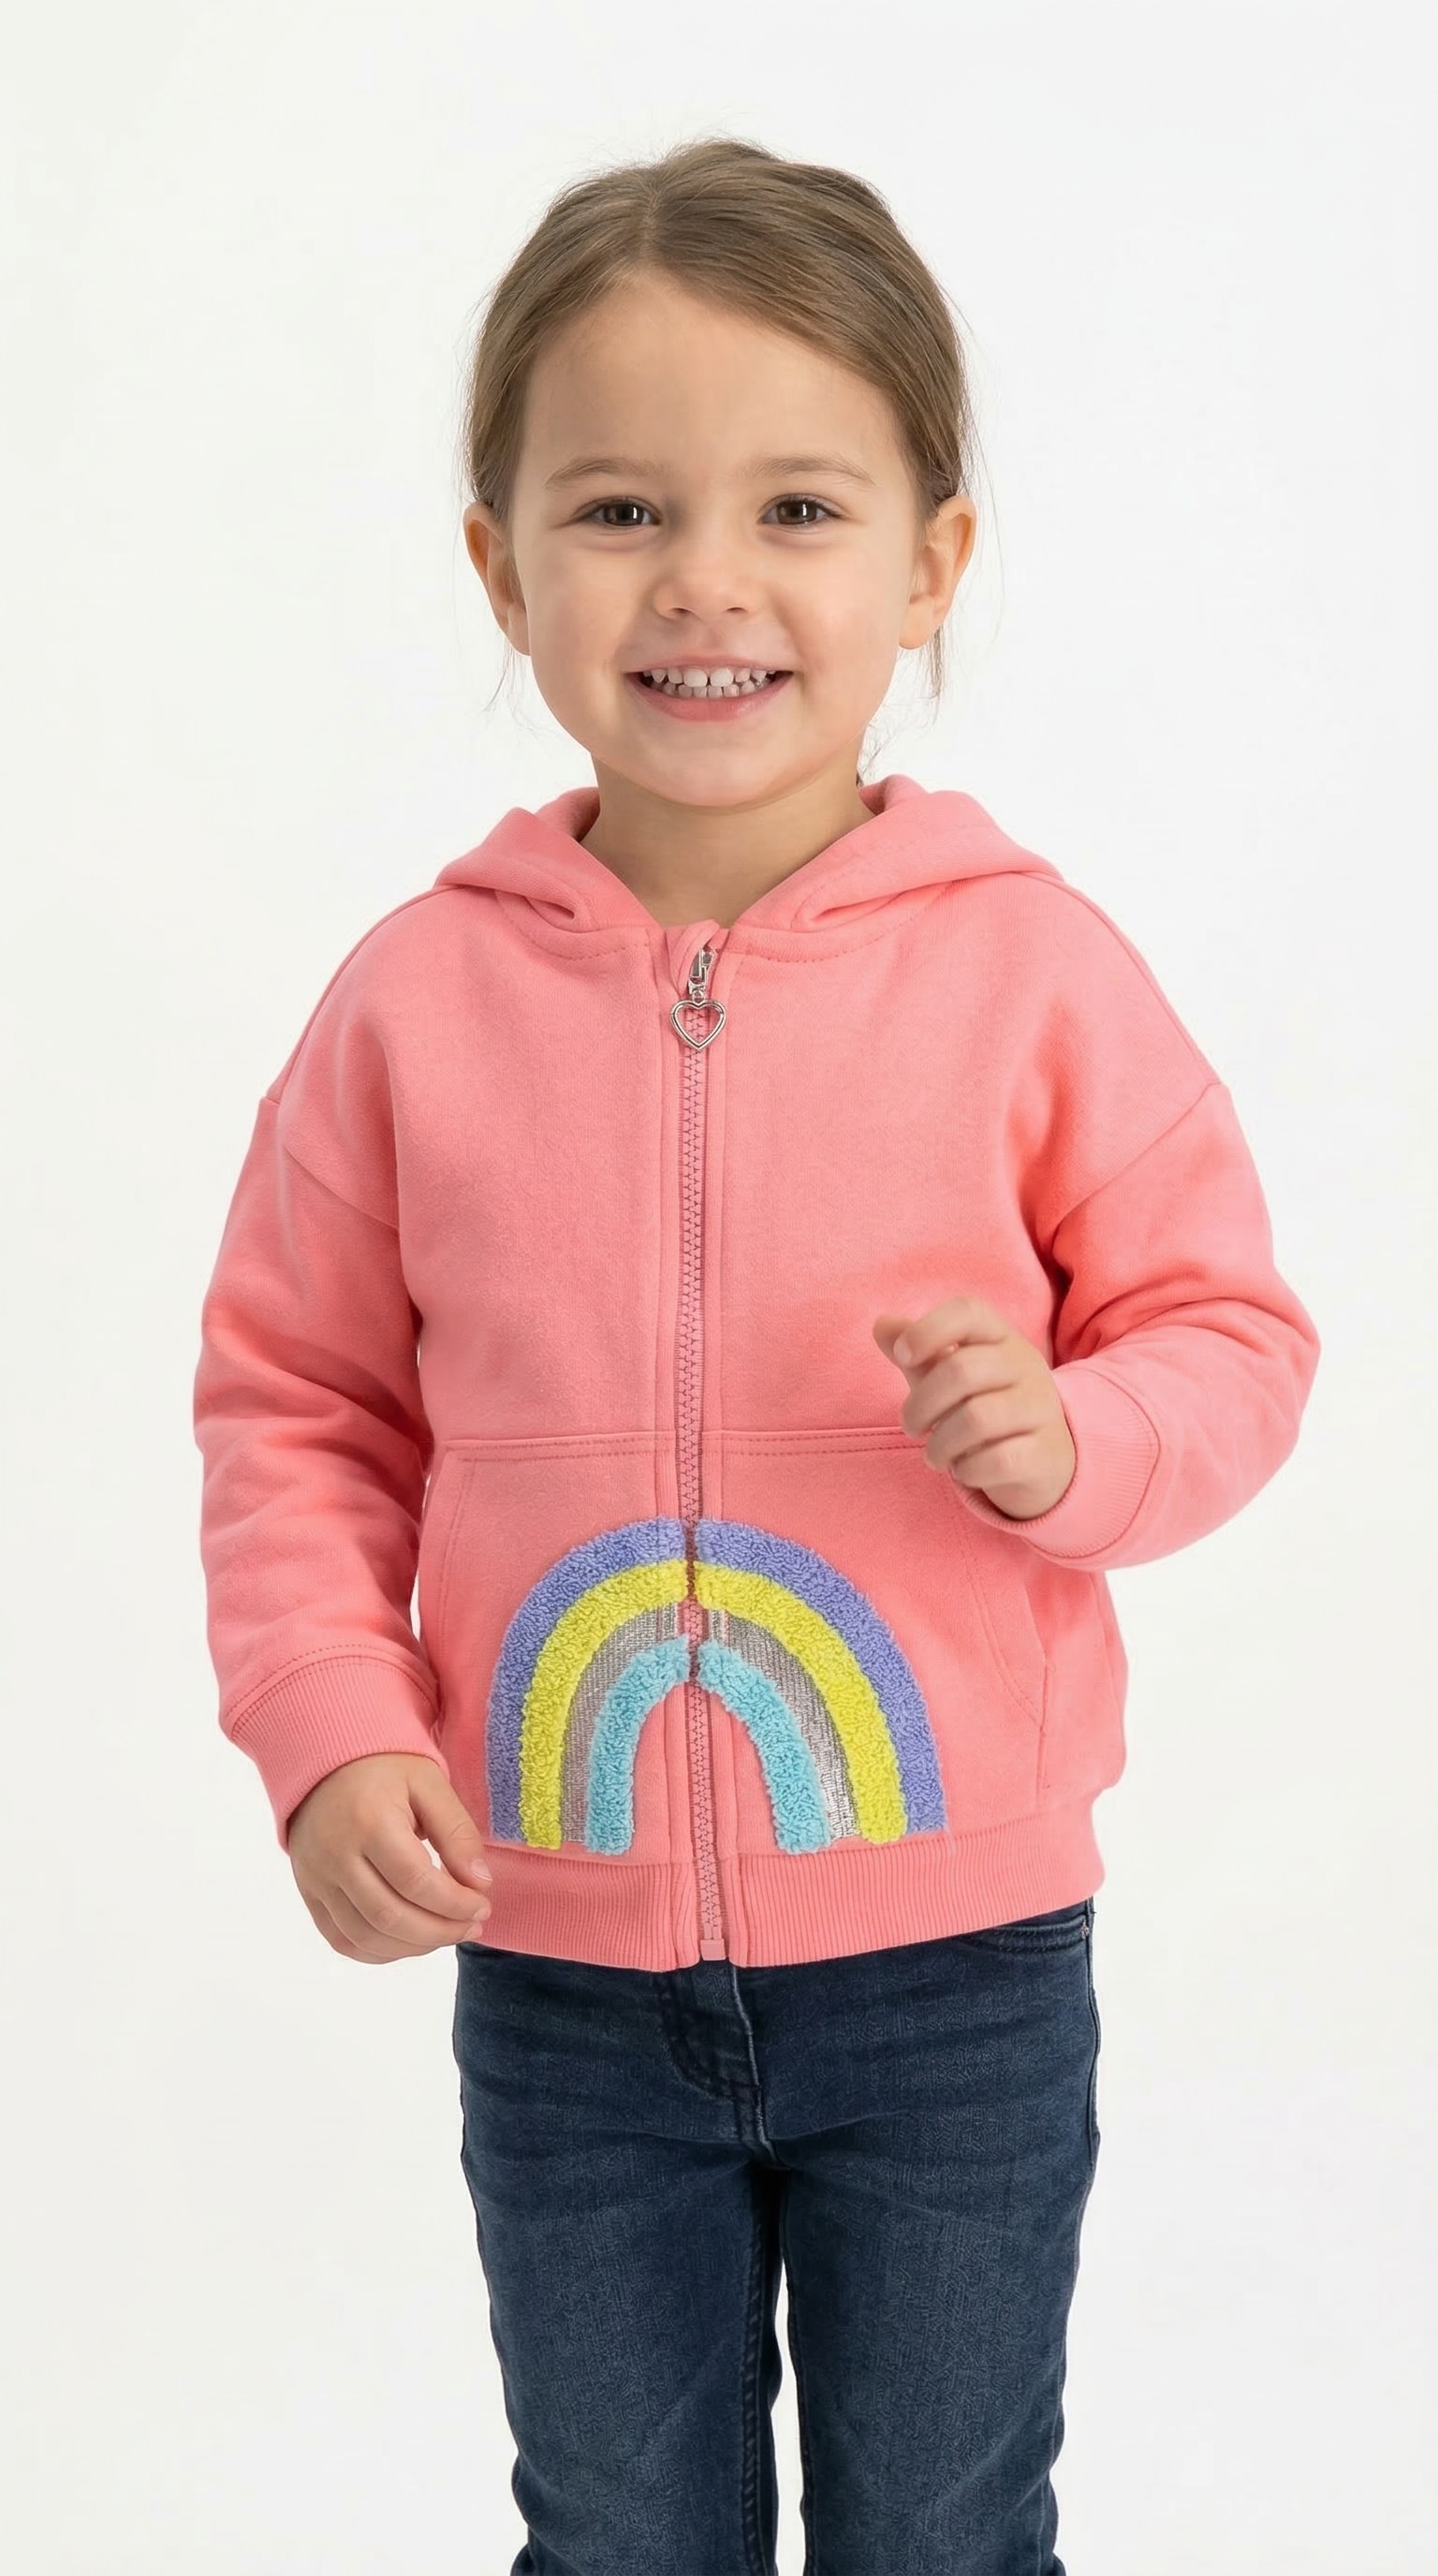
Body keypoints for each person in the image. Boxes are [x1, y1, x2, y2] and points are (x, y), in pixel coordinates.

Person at [192, 137, 1321, 2576]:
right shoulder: (414, 1001)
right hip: (560, 1966)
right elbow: (297, 1401)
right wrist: (330, 1724)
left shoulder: (1033, 970)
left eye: (799, 507)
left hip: (957, 1970)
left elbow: (1228, 1330)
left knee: (944, 2535)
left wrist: (1074, 1438)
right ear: (500, 566)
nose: (705, 579)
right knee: (617, 2537)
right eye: (618, 511)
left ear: (933, 563)